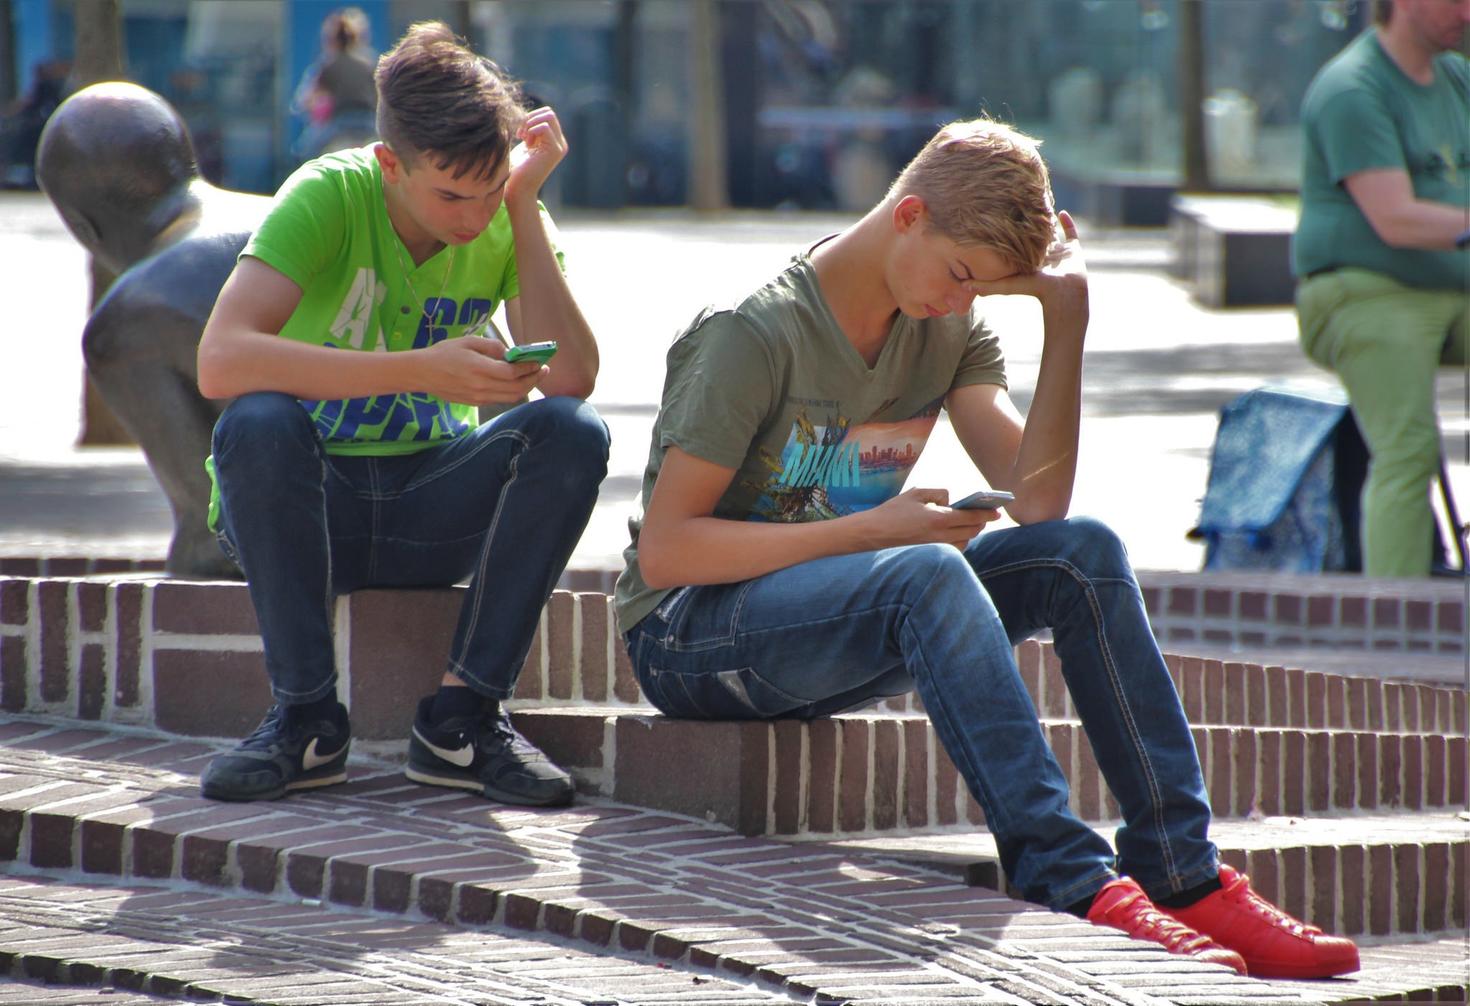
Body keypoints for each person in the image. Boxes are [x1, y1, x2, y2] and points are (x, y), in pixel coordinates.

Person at [613, 117, 1360, 980]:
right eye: (961, 274)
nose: (961, 301)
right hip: (688, 637)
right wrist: (871, 531)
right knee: (922, 571)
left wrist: (1066, 318)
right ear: (910, 214)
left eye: (986, 290)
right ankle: (1069, 877)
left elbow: (1039, 504)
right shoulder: (752, 336)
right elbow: (667, 554)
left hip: (825, 615)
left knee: (1079, 554)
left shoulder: (947, 327)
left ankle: (1180, 871)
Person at [195, 22, 608, 807]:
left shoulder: (506, 212)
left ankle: (464, 720)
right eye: (451, 194)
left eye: (490, 190)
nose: (472, 215)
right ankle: (305, 721)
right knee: (257, 420)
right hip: (309, 511)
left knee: (571, 433)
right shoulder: (330, 194)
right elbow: (219, 359)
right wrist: (417, 367)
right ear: (392, 163)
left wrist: (522, 204)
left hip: (429, 504)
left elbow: (573, 379)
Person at [35, 80, 269, 580]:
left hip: (347, 534)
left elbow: (218, 538)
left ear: (83, 227)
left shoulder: (126, 321)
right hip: (456, 503)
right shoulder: (281, 211)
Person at [1295, 0, 1470, 578]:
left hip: (1453, 289)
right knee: (1408, 449)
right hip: (1365, 290)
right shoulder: (1353, 87)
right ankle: (1396, 623)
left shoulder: (1457, 78)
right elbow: (1395, 219)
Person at [292, 6, 379, 160]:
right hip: (369, 123)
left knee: (304, 153)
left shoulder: (328, 64)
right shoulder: (369, 63)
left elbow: (308, 99)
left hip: (340, 123)